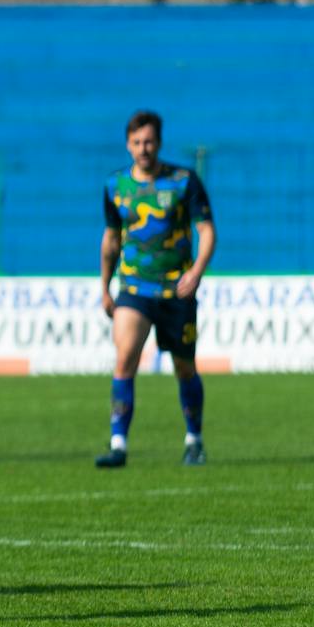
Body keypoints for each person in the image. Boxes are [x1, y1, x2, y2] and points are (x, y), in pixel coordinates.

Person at [96, 110, 215, 468]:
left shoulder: (183, 182)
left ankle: (194, 439)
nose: (143, 148)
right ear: (127, 145)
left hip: (177, 290)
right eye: (137, 142)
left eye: (149, 142)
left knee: (184, 368)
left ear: (159, 143)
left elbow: (206, 230)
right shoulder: (116, 186)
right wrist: (105, 286)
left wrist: (196, 272)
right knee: (124, 359)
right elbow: (111, 239)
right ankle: (118, 444)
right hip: (134, 288)